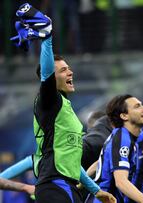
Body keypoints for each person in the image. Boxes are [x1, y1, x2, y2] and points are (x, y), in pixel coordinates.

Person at [10, 3, 116, 203]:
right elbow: (47, 73)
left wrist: (96, 190)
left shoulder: (66, 110)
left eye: (69, 68)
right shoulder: (49, 101)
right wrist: (47, 36)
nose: (70, 72)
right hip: (54, 184)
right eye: (63, 70)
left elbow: (72, 162)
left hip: (67, 185)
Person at [88, 94, 143, 203]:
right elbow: (121, 182)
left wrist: (82, 182)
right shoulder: (122, 138)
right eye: (137, 106)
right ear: (124, 116)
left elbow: (101, 161)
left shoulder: (123, 137)